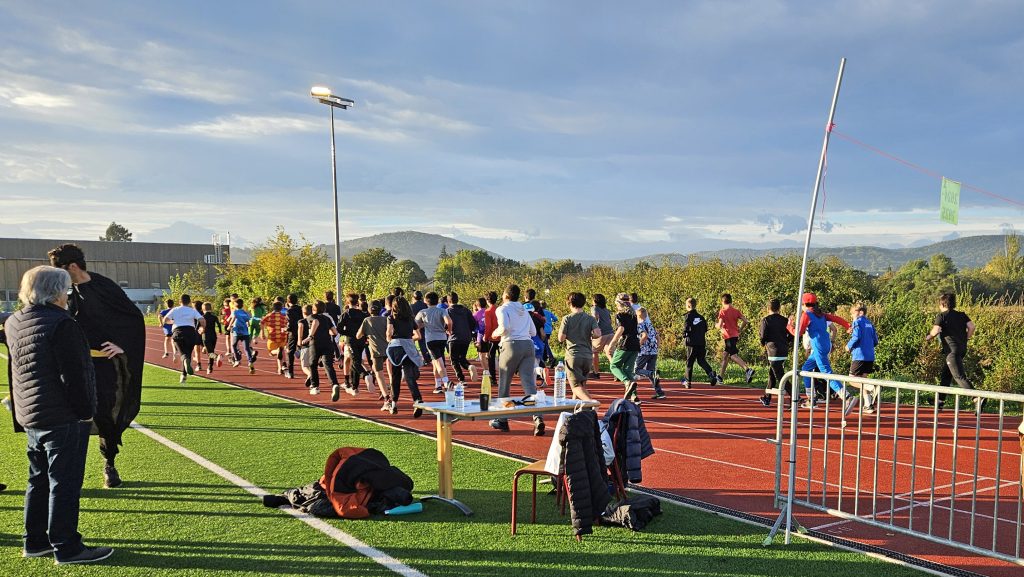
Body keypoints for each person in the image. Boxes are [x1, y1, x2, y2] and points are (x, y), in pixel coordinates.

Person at [6, 266, 114, 563]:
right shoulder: (61, 323)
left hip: (31, 413)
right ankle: (67, 546)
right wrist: (84, 413)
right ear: (56, 292)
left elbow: (15, 369)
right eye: (66, 290)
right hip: (61, 415)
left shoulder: (15, 321)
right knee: (64, 483)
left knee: (38, 480)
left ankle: (35, 541)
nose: (68, 296)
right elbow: (76, 374)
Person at [48, 244, 146, 490]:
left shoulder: (104, 286)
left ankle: (109, 463)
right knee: (69, 414)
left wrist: (121, 344)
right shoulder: (61, 290)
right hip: (72, 363)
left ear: (72, 266)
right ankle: (67, 472)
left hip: (101, 363)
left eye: (59, 269)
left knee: (104, 413)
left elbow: (133, 317)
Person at [490, 284, 544, 435]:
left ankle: (502, 420)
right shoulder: (524, 310)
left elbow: (504, 328)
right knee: (529, 383)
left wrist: (495, 334)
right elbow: (533, 332)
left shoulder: (502, 309)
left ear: (506, 295)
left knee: (504, 383)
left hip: (510, 345)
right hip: (528, 346)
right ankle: (538, 417)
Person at [796, 292, 854, 413]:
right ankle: (811, 398)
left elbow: (799, 332)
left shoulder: (806, 314)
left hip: (818, 347)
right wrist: (847, 325)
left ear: (804, 304)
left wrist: (789, 327)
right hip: (825, 344)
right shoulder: (820, 314)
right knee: (806, 369)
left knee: (826, 373)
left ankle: (847, 396)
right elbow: (835, 318)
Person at [925, 292, 980, 412]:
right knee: (946, 375)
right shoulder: (962, 315)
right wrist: (967, 338)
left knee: (959, 376)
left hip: (951, 351)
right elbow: (972, 327)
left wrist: (928, 337)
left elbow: (936, 330)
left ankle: (977, 398)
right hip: (961, 349)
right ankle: (940, 400)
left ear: (942, 303)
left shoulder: (942, 316)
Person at [385, 296, 425, 417]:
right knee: (409, 377)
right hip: (408, 347)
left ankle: (394, 404)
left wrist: (389, 339)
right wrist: (408, 339)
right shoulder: (410, 319)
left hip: (396, 347)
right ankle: (417, 400)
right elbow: (418, 336)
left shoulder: (391, 317)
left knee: (395, 376)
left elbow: (389, 333)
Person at [557, 292, 600, 401]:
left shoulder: (567, 318)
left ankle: (592, 404)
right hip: (587, 356)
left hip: (573, 355)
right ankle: (576, 410)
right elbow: (598, 333)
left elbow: (561, 338)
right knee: (581, 385)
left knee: (575, 386)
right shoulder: (590, 319)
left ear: (570, 303)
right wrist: (590, 335)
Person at [605, 293, 642, 404]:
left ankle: (626, 382)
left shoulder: (619, 315)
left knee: (614, 366)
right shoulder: (633, 314)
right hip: (635, 343)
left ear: (618, 303)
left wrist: (612, 343)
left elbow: (620, 329)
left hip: (625, 343)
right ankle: (634, 396)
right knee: (628, 370)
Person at [415, 292, 452, 394]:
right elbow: (448, 322)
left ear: (426, 301)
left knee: (438, 362)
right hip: (442, 338)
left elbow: (415, 325)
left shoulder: (423, 312)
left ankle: (446, 382)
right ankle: (438, 385)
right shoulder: (442, 310)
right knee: (436, 362)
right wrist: (449, 330)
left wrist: (424, 325)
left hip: (431, 340)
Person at [357, 300, 391, 408]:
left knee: (379, 374)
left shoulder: (367, 320)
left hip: (376, 351)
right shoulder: (386, 319)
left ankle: (386, 399)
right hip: (388, 350)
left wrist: (368, 334)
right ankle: (386, 390)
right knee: (385, 372)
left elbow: (358, 335)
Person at [846, 302, 880, 413]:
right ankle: (868, 404)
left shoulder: (857, 322)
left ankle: (872, 387)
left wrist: (848, 346)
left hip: (859, 355)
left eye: (852, 313)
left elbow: (856, 337)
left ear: (860, 312)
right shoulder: (870, 323)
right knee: (862, 380)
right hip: (870, 355)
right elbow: (875, 340)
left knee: (851, 379)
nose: (851, 316)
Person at [759, 299, 793, 407]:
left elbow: (763, 335)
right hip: (783, 349)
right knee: (772, 373)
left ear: (768, 308)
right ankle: (767, 397)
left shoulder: (766, 320)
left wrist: (763, 343)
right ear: (779, 308)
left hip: (773, 350)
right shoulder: (785, 320)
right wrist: (786, 341)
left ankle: (795, 396)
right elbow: (792, 334)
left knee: (780, 376)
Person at [304, 302, 341, 400]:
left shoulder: (311, 317)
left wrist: (310, 336)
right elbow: (335, 332)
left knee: (313, 364)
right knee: (328, 365)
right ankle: (334, 384)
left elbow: (316, 322)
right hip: (328, 344)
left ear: (313, 309)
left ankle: (315, 386)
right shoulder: (327, 318)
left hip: (315, 343)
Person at [717, 293, 755, 384]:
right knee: (725, 355)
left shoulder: (723, 311)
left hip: (728, 336)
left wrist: (717, 326)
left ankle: (747, 369)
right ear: (731, 301)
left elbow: (720, 325)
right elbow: (746, 321)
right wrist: (740, 329)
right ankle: (720, 378)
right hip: (735, 335)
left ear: (722, 302)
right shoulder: (736, 311)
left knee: (733, 356)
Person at [682, 297, 719, 387]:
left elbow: (686, 328)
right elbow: (705, 329)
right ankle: (710, 373)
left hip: (692, 343)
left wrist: (684, 334)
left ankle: (687, 381)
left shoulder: (688, 316)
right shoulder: (701, 317)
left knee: (689, 362)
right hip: (701, 342)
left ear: (688, 306)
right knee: (701, 360)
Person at [338, 293, 368, 395]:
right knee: (356, 361)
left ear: (347, 302)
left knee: (355, 362)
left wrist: (348, 333)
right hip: (361, 341)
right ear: (357, 302)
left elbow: (339, 328)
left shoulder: (346, 314)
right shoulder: (362, 314)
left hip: (351, 340)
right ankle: (355, 387)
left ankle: (365, 375)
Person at [636, 306, 666, 399]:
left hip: (644, 351)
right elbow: (658, 337)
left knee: (637, 370)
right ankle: (659, 392)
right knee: (651, 371)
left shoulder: (639, 325)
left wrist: (638, 345)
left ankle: (652, 375)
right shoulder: (650, 324)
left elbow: (644, 336)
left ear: (638, 316)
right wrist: (657, 347)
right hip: (653, 350)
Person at [446, 292, 476, 384]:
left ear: (448, 301)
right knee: (462, 358)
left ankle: (461, 379)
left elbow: (446, 323)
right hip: (466, 337)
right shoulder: (466, 310)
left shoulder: (448, 311)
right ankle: (469, 367)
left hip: (454, 337)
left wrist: (447, 330)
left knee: (454, 360)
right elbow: (473, 323)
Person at [226, 298, 258, 374]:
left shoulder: (235, 312)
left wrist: (229, 326)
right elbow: (248, 322)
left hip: (237, 332)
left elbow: (233, 319)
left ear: (235, 305)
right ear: (242, 305)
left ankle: (237, 360)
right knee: (246, 348)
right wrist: (247, 324)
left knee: (233, 345)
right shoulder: (245, 312)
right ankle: (250, 362)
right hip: (245, 333)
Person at [261, 301, 289, 375]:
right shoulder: (283, 316)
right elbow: (287, 325)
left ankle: (277, 352)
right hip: (282, 336)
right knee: (282, 350)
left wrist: (262, 333)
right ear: (281, 308)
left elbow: (261, 322)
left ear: (273, 307)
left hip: (272, 336)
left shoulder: (269, 315)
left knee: (272, 352)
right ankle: (281, 367)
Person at [590, 294, 613, 379]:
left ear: (595, 301)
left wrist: (592, 330)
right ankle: (616, 372)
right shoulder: (606, 310)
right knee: (609, 353)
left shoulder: (594, 308)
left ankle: (596, 373)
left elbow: (594, 317)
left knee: (594, 352)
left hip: (600, 333)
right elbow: (610, 321)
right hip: (610, 333)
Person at [200, 302, 223, 374]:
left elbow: (197, 326)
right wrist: (220, 331)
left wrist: (199, 331)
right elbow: (219, 324)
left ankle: (217, 357)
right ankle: (210, 368)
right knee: (211, 351)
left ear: (203, 309)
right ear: (211, 308)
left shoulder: (202, 317)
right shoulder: (214, 317)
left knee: (209, 353)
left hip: (206, 336)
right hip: (213, 336)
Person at [284, 293, 303, 379]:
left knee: (290, 352)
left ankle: (290, 371)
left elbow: (290, 324)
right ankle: (299, 350)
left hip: (293, 333)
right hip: (302, 331)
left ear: (288, 302)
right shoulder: (301, 309)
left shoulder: (289, 311)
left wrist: (286, 329)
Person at [482, 291, 500, 378]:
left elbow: (488, 326)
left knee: (491, 358)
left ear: (487, 300)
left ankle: (493, 378)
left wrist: (485, 336)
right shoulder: (500, 309)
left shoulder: (488, 311)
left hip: (492, 338)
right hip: (502, 337)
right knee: (503, 358)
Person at [409, 290, 429, 360]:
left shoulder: (411, 306)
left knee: (412, 342)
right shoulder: (425, 305)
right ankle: (426, 358)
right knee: (423, 343)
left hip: (413, 326)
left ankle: (414, 358)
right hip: (423, 325)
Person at [540, 300, 558, 368]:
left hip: (543, 330)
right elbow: (555, 319)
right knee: (545, 344)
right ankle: (545, 359)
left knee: (545, 344)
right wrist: (551, 321)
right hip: (549, 330)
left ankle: (551, 358)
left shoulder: (540, 313)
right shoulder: (548, 312)